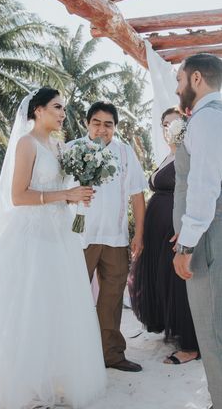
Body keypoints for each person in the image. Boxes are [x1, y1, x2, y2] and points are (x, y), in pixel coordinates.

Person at [0, 87, 106, 408]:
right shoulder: (27, 144)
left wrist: (78, 192)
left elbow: (61, 187)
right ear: (38, 110)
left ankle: (50, 380)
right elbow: (18, 196)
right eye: (57, 107)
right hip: (32, 238)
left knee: (56, 308)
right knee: (28, 309)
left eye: (64, 108)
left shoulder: (59, 145)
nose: (63, 113)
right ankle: (23, 386)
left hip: (60, 235)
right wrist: (66, 195)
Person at [171, 53, 222, 409]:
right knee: (217, 333)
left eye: (179, 79)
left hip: (212, 234)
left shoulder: (209, 119)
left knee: (218, 336)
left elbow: (204, 186)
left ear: (196, 78)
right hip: (213, 230)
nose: (177, 87)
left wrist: (187, 242)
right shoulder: (210, 117)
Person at [70, 101, 148, 372]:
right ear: (87, 123)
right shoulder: (71, 150)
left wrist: (139, 233)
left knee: (112, 298)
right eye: (97, 123)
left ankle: (112, 355)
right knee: (72, 297)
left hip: (115, 238)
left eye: (108, 124)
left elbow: (138, 195)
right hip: (78, 239)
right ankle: (73, 356)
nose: (102, 129)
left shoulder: (125, 153)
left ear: (115, 127)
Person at [129, 107, 200, 364]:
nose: (168, 128)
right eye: (165, 124)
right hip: (157, 228)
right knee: (163, 281)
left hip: (174, 228)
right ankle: (174, 328)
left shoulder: (189, 156)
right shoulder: (168, 157)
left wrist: (185, 230)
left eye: (174, 123)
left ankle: (191, 346)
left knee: (178, 284)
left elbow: (196, 193)